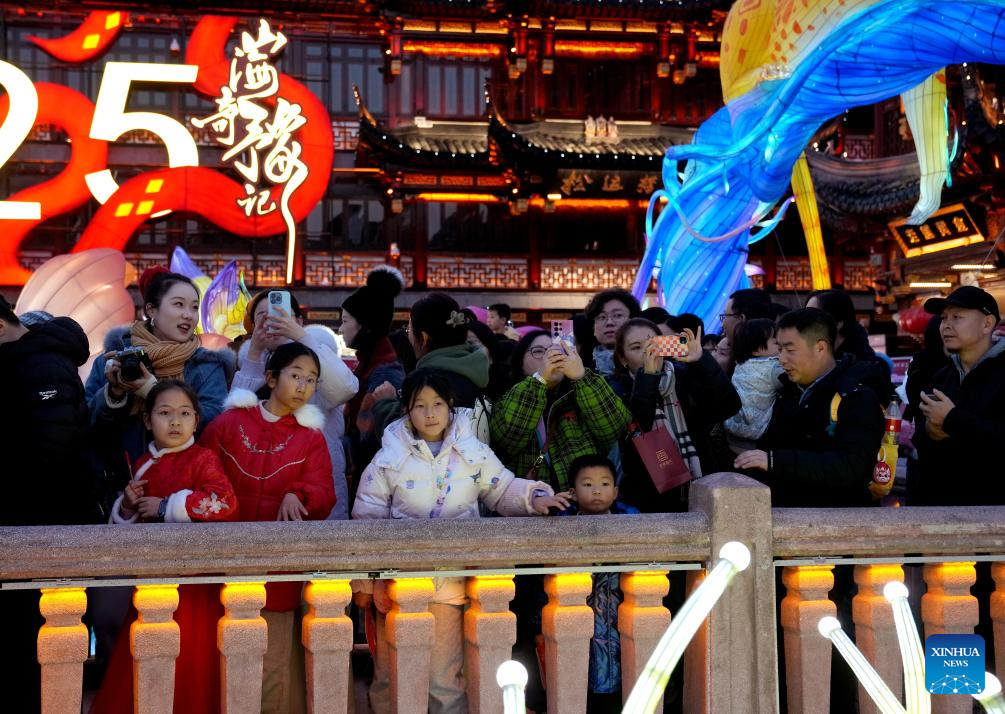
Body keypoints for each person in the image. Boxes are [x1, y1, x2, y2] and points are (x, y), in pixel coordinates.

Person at [352, 369, 568, 714]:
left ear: (450, 405)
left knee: (443, 677)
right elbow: (367, 519)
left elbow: (501, 488)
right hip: (397, 587)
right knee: (391, 676)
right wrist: (365, 583)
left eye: (437, 404)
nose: (430, 413)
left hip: (450, 585)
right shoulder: (388, 459)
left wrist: (534, 498)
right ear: (407, 409)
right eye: (419, 405)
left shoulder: (473, 451)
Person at [200, 342, 335, 713]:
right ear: (272, 377)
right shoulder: (229, 423)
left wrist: (300, 493)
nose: (303, 386)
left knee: (273, 664)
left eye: (311, 380)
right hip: (225, 562)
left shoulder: (311, 438)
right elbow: (202, 474)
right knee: (221, 657)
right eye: (296, 376)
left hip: (280, 570)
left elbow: (325, 492)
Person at [90, 381, 236, 714]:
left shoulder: (203, 459)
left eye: (185, 414)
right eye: (164, 413)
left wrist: (166, 506)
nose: (175, 422)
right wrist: (126, 508)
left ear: (197, 421)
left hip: (194, 586)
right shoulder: (142, 463)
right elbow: (127, 527)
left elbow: (225, 503)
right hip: (149, 582)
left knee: (190, 661)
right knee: (142, 659)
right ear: (147, 420)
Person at [0, 297, 99, 713]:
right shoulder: (26, 360)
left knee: (36, 648)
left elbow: (50, 451)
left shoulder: (41, 365)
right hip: (32, 529)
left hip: (44, 530)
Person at [735, 308, 884, 507]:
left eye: (790, 350)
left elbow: (850, 467)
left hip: (837, 523)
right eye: (779, 349)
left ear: (820, 348)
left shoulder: (856, 397)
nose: (781, 359)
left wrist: (774, 461)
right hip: (785, 518)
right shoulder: (787, 390)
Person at [233, 289, 358, 519]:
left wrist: (302, 338)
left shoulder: (320, 357)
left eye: (283, 314)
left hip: (316, 485)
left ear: (299, 321)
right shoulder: (250, 361)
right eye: (263, 315)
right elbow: (234, 417)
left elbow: (345, 388)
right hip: (260, 489)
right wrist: (254, 352)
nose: (273, 319)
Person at [608, 318, 740, 512]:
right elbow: (638, 429)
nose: (648, 352)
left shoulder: (684, 375)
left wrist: (702, 359)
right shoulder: (616, 390)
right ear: (622, 358)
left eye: (653, 343)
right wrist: (648, 378)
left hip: (701, 485)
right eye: (636, 348)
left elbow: (728, 406)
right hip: (648, 498)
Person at [490, 329, 632, 493]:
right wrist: (539, 380)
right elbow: (507, 440)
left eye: (557, 350)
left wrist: (582, 377)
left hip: (582, 506)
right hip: (528, 507)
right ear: (520, 363)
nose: (551, 356)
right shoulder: (507, 395)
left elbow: (616, 428)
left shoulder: (584, 393)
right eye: (538, 351)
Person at [556, 455, 639, 714]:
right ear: (572, 492)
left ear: (615, 491)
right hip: (578, 617)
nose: (596, 491)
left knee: (620, 680)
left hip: (617, 617)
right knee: (576, 679)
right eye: (588, 484)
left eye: (604, 484)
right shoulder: (560, 525)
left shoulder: (633, 522)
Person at [912, 286, 1005, 505]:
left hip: (994, 513)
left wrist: (952, 420)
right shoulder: (941, 377)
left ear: (987, 324)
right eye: (944, 318)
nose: (946, 326)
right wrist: (929, 431)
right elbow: (922, 445)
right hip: (941, 511)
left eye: (957, 317)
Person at [339, 266, 408, 499]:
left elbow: (368, 440)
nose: (340, 329)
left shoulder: (383, 373)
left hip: (375, 487)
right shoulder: (370, 364)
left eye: (345, 320)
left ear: (365, 326)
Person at [806, 289, 891, 405]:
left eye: (812, 317)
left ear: (838, 323)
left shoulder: (864, 370)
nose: (804, 324)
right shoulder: (810, 360)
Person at [724, 318, 784, 453]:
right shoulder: (773, 368)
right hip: (755, 439)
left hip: (732, 433)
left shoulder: (740, 365)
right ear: (757, 350)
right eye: (776, 343)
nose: (781, 347)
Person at [583, 288, 641, 376]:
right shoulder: (581, 370)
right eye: (602, 317)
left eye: (618, 315)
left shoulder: (646, 365)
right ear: (594, 328)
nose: (609, 323)